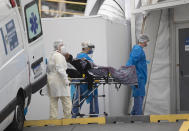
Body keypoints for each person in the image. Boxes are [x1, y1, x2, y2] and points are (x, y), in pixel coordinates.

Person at [72, 41, 99, 117]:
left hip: (80, 81)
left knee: (78, 99)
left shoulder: (78, 56)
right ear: (87, 48)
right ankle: (94, 116)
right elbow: (92, 68)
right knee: (93, 98)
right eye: (90, 48)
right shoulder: (85, 57)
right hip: (87, 82)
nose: (91, 50)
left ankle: (74, 115)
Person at [47, 40, 72, 119]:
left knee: (53, 101)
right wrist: (66, 80)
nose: (64, 47)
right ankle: (67, 118)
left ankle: (53, 119)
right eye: (62, 45)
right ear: (59, 47)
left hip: (52, 80)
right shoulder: (59, 56)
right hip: (59, 80)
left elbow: (48, 69)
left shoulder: (51, 55)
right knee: (66, 100)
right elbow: (60, 69)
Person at [126, 34, 150, 115]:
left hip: (140, 77)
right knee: (139, 96)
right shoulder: (137, 49)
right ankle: (138, 115)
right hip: (138, 77)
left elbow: (138, 61)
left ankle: (134, 114)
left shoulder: (139, 49)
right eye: (146, 41)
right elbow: (131, 62)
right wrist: (127, 71)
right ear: (143, 41)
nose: (147, 43)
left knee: (140, 95)